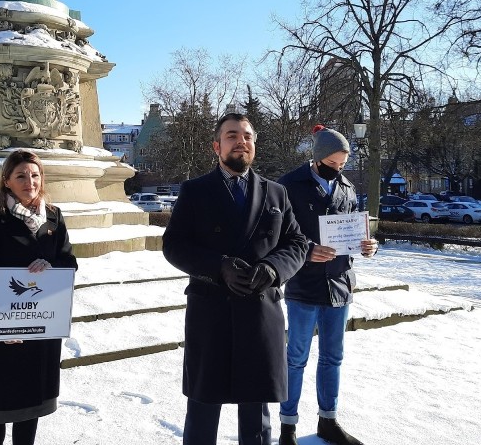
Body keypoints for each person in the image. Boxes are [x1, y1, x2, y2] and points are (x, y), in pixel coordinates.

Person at [162, 113, 309, 445]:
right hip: (211, 314)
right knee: (202, 411)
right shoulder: (195, 191)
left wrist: (273, 269)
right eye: (232, 135)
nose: (241, 141)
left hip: (260, 313)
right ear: (217, 146)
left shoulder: (276, 194)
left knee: (257, 418)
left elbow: (297, 243)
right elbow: (174, 245)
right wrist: (219, 266)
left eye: (247, 136)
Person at [276, 126, 378, 445]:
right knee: (296, 357)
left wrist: (366, 246)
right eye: (333, 163)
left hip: (340, 284)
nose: (338, 169)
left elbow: (352, 232)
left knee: (333, 357)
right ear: (317, 158)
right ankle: (287, 426)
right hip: (304, 285)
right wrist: (307, 250)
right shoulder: (289, 185)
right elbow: (275, 233)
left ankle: (328, 420)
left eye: (343, 163)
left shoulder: (347, 187)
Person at [0, 149, 78, 445]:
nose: (29, 181)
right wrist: (1, 327)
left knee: (30, 407)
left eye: (34, 174)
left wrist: (51, 266)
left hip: (40, 328)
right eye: (20, 175)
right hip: (1, 329)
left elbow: (69, 263)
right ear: (6, 181)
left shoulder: (54, 218)